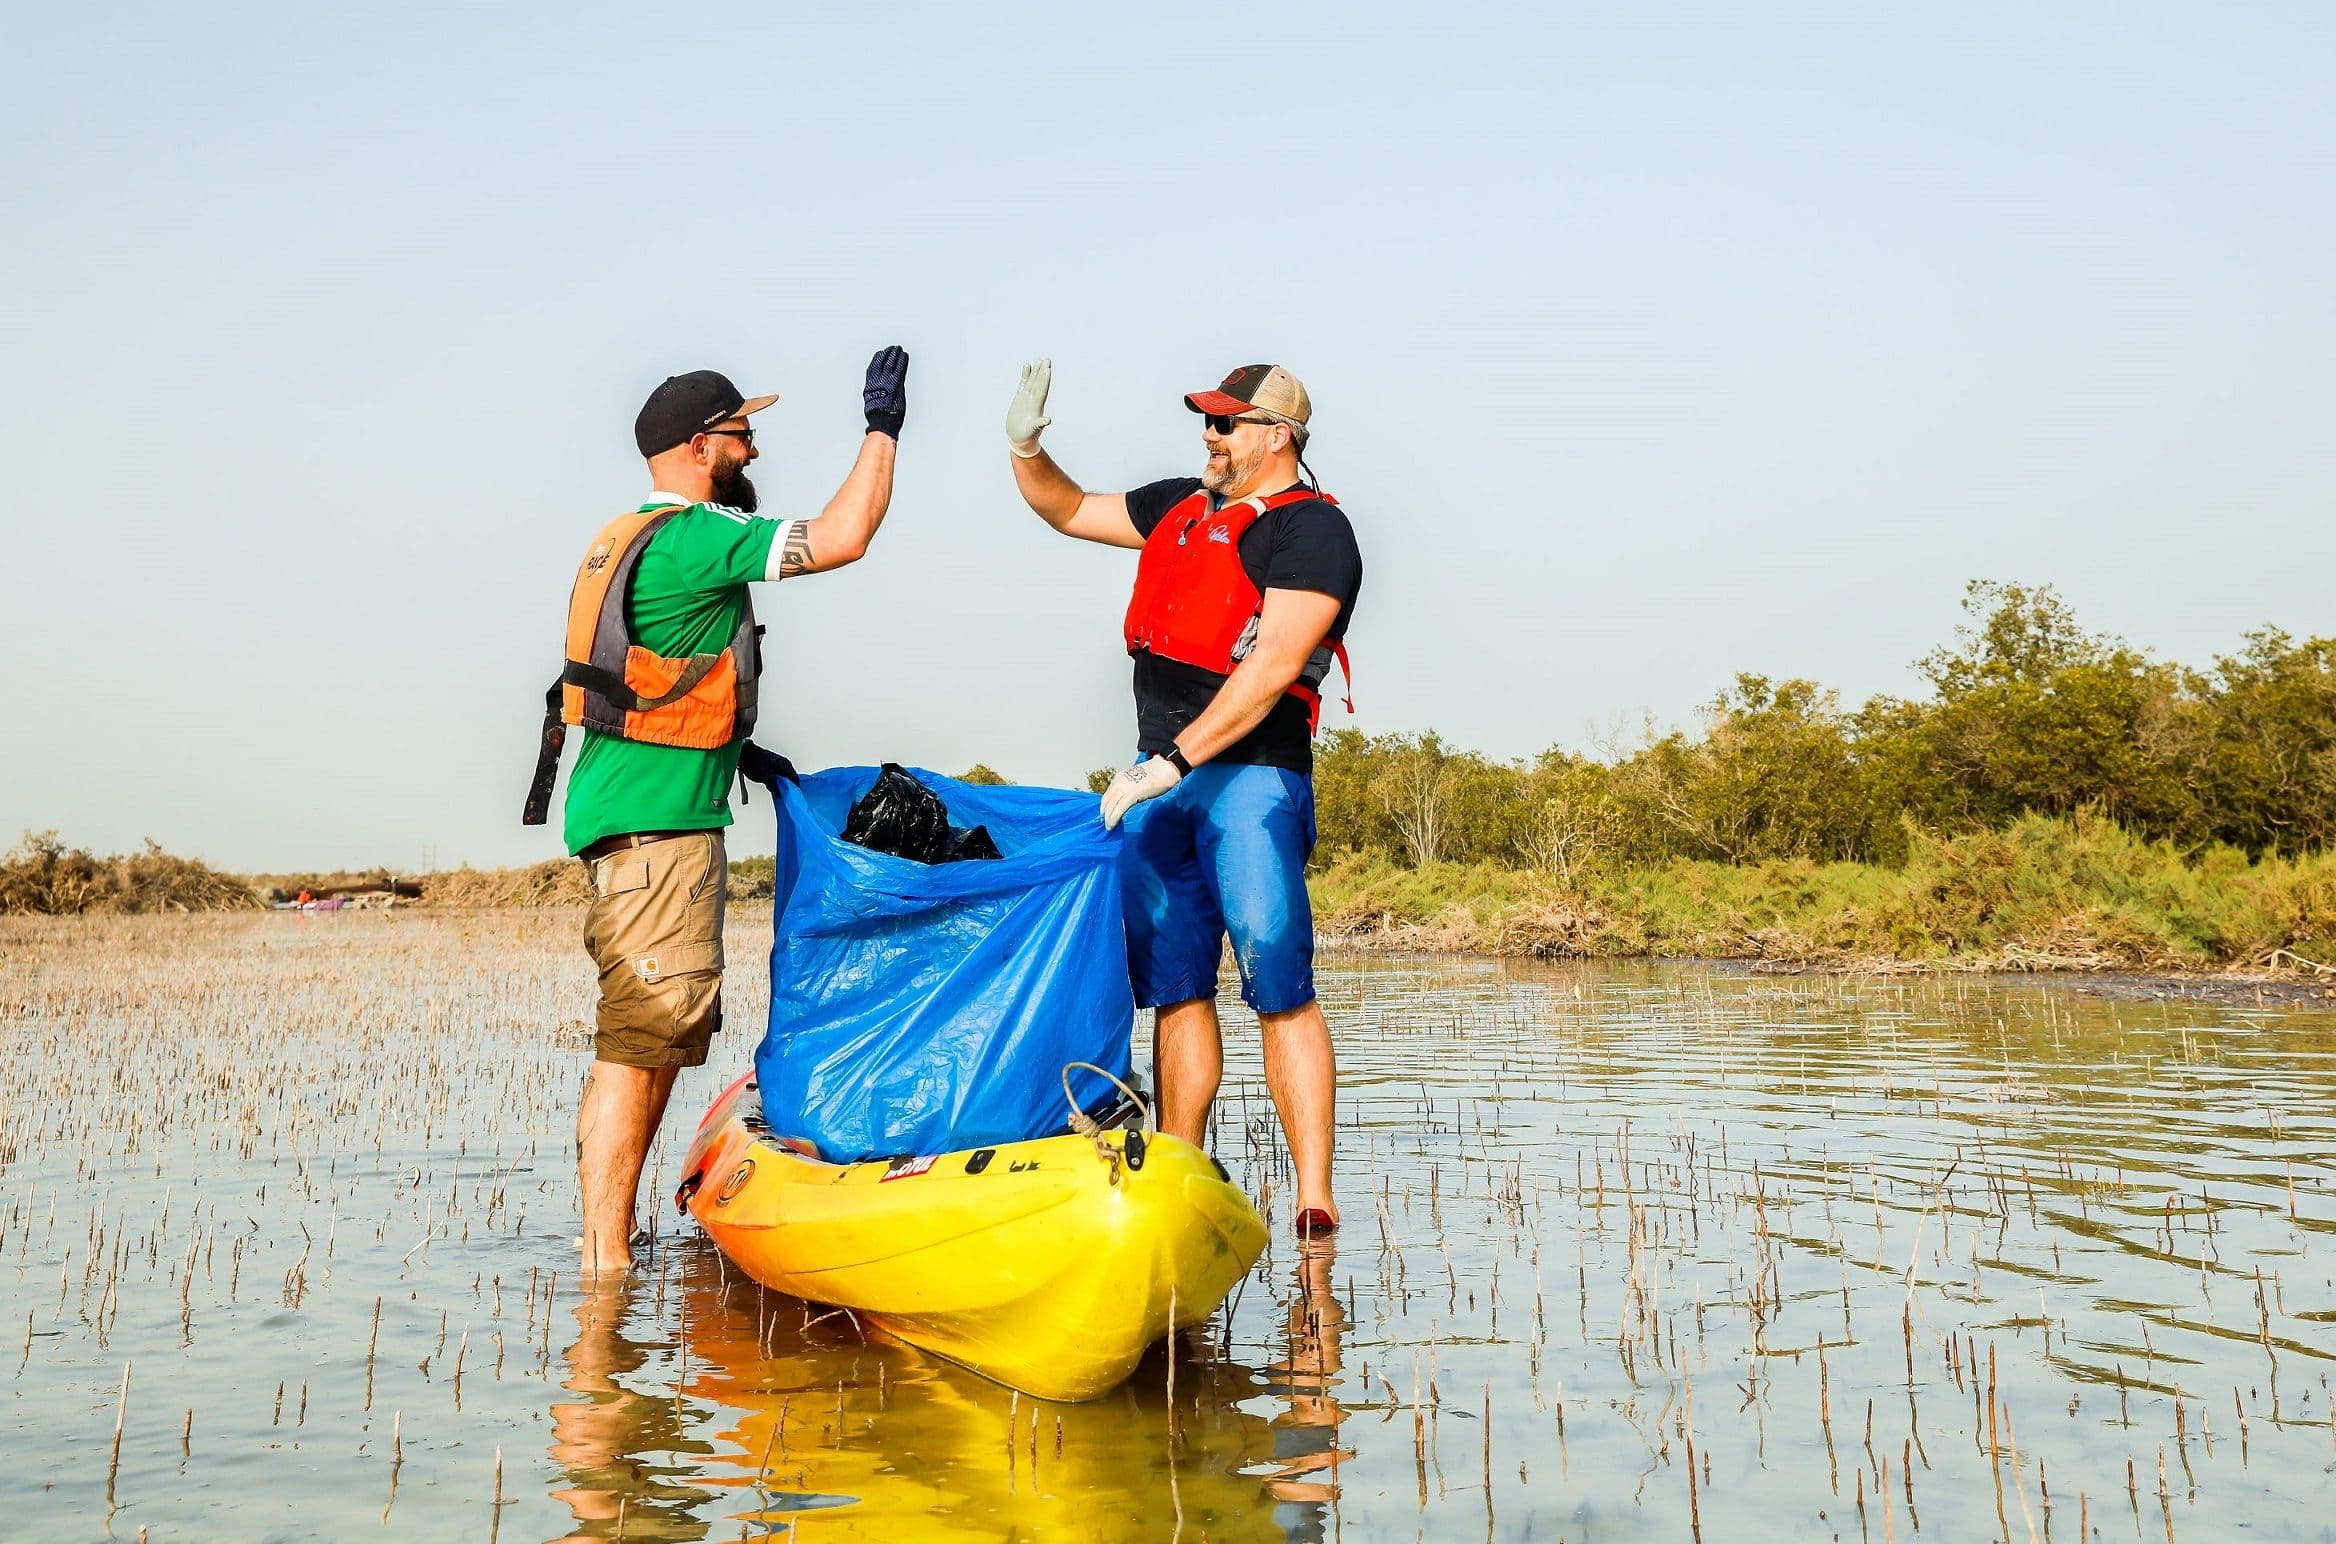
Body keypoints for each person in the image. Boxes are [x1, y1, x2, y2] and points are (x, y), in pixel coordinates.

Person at [529, 348, 909, 1275]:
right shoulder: (697, 535)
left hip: (643, 823)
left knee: (657, 1038)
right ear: (701, 448)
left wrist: (737, 750)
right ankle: (605, 1266)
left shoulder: (623, 534)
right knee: (635, 1045)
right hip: (656, 837)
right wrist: (884, 429)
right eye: (743, 434)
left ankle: (615, 1248)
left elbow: (665, 677)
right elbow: (844, 535)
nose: (754, 449)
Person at [1004, 359, 1362, 1235]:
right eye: (1207, 420)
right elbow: (1066, 507)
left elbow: (1273, 666)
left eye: (1227, 423)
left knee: (1278, 980)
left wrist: (1174, 759)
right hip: (1159, 783)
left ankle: (1314, 1199)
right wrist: (1025, 447)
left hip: (1251, 783)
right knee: (1175, 984)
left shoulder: (1313, 530)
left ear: (1277, 435)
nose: (1210, 435)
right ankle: (1177, 1171)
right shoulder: (1179, 504)